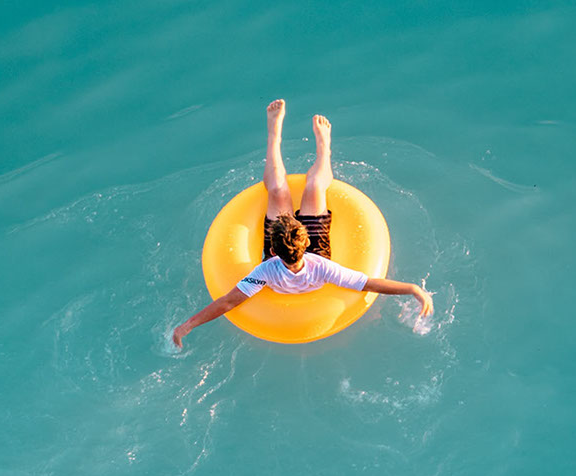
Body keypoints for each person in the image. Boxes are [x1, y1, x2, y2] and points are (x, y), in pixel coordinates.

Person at [172, 99, 433, 348]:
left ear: (271, 250)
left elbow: (228, 302)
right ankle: (323, 148)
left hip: (295, 253)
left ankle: (274, 135)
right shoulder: (323, 267)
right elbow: (369, 283)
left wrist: (188, 325)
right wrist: (413, 289)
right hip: (317, 251)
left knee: (277, 191)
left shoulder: (265, 271)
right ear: (305, 238)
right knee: (314, 187)